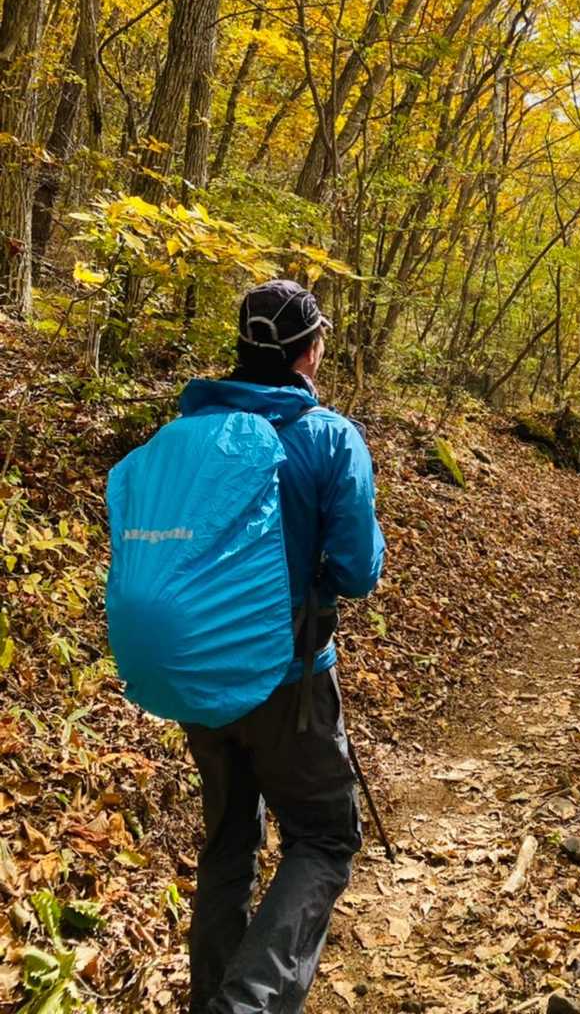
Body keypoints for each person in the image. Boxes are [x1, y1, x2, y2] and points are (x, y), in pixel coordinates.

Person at [177, 279, 385, 1014]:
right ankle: (248, 1005)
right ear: (309, 350)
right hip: (288, 677)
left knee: (229, 842)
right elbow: (358, 570)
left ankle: (213, 998)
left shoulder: (189, 433)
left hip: (198, 673)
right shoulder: (327, 437)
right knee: (323, 838)